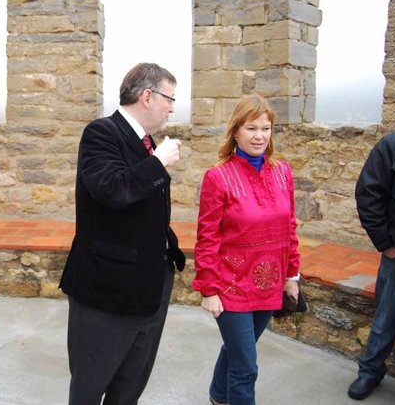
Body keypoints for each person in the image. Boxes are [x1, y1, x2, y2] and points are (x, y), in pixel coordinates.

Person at [59, 62, 186, 404]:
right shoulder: (102, 133)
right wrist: (157, 163)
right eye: (169, 99)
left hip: (149, 287)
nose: (172, 107)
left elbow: (146, 210)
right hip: (108, 292)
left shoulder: (145, 142)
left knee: (130, 385)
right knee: (90, 384)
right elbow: (112, 190)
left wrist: (168, 253)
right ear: (147, 96)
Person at [192, 95, 300, 405]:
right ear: (236, 131)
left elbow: (290, 226)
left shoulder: (283, 173)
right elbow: (207, 238)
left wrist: (292, 274)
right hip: (231, 286)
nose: (259, 136)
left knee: (240, 346)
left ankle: (217, 394)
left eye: (265, 128)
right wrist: (209, 290)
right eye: (251, 128)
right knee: (246, 366)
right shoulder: (218, 177)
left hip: (270, 283)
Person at [347, 123, 395, 401]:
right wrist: (386, 244)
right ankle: (370, 372)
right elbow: (368, 195)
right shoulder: (393, 146)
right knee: (386, 319)